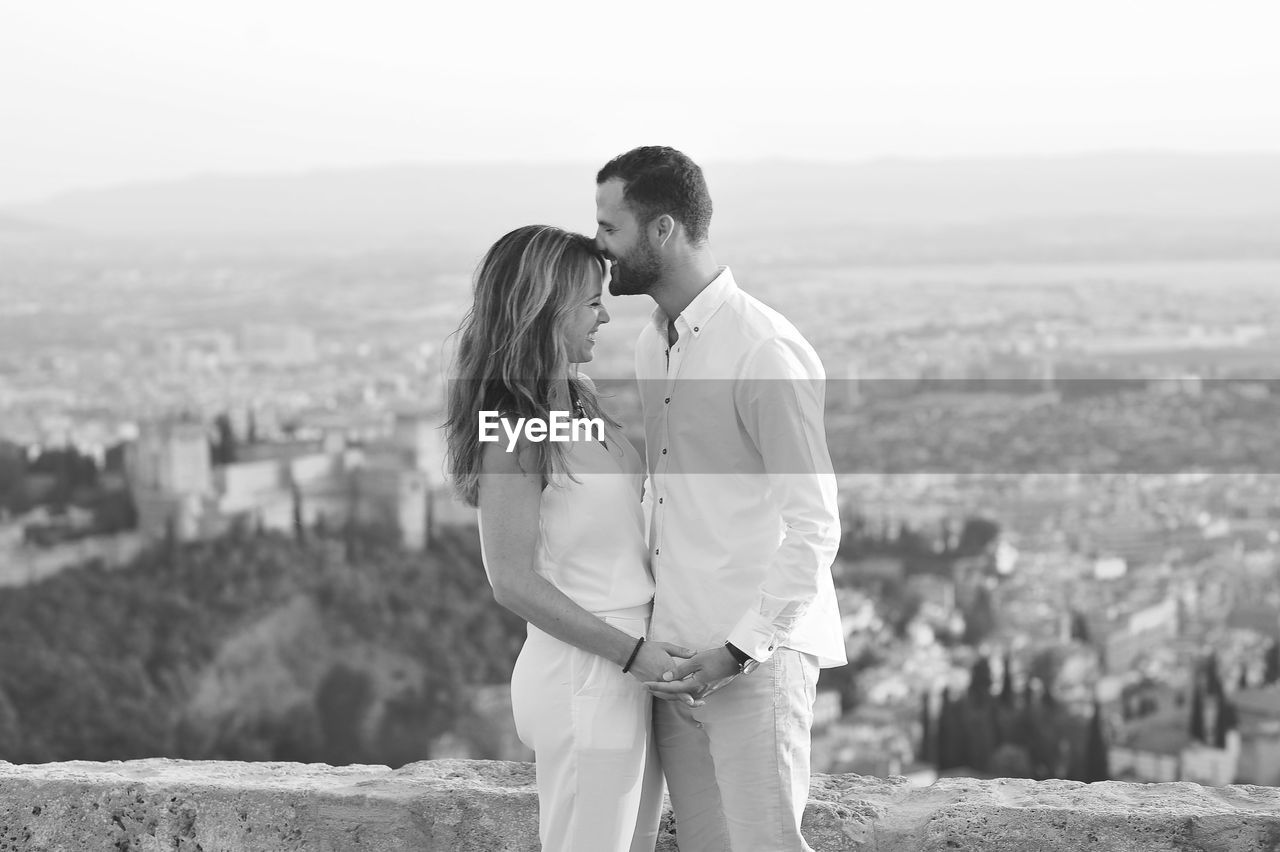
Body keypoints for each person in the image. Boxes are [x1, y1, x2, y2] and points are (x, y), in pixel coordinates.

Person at [594, 147, 846, 852]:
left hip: (753, 661)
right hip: (676, 659)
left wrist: (740, 650)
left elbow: (816, 526)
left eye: (610, 227)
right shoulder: (653, 346)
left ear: (663, 229)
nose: (599, 244)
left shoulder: (762, 350)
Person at [444, 224, 696, 852]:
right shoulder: (515, 425)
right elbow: (511, 580)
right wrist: (631, 654)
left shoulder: (575, 402)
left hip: (623, 663)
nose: (604, 315)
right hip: (588, 669)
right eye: (589, 302)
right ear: (544, 309)